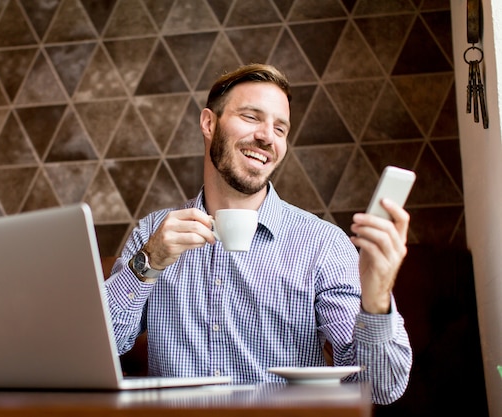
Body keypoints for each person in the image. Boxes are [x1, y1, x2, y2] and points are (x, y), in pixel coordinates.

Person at [104, 63, 412, 405]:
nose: (268, 136)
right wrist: (149, 261)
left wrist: (377, 300)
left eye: (280, 128)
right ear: (209, 123)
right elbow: (99, 347)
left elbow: (380, 388)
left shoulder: (323, 245)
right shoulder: (153, 234)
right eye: (251, 117)